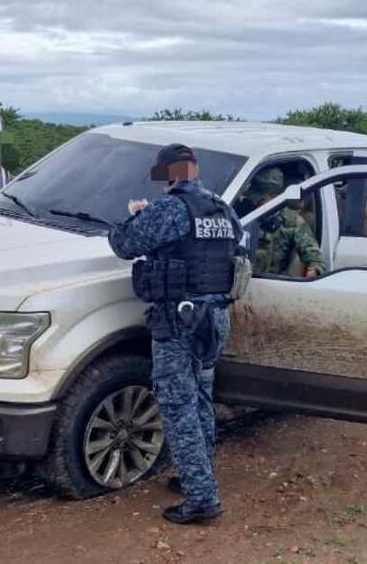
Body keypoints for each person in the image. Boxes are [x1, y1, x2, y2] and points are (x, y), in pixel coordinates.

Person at [106, 143, 243, 525]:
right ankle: (197, 477)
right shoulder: (222, 208)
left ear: (167, 174)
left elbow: (123, 243)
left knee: (178, 407)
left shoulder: (170, 208)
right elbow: (236, 242)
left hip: (179, 321)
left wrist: (137, 215)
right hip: (213, 319)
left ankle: (201, 498)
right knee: (200, 400)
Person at [242, 167, 325, 278]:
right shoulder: (241, 213)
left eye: (261, 199)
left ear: (275, 197)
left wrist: (313, 270)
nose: (254, 202)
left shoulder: (291, 221)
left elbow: (316, 258)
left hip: (271, 281)